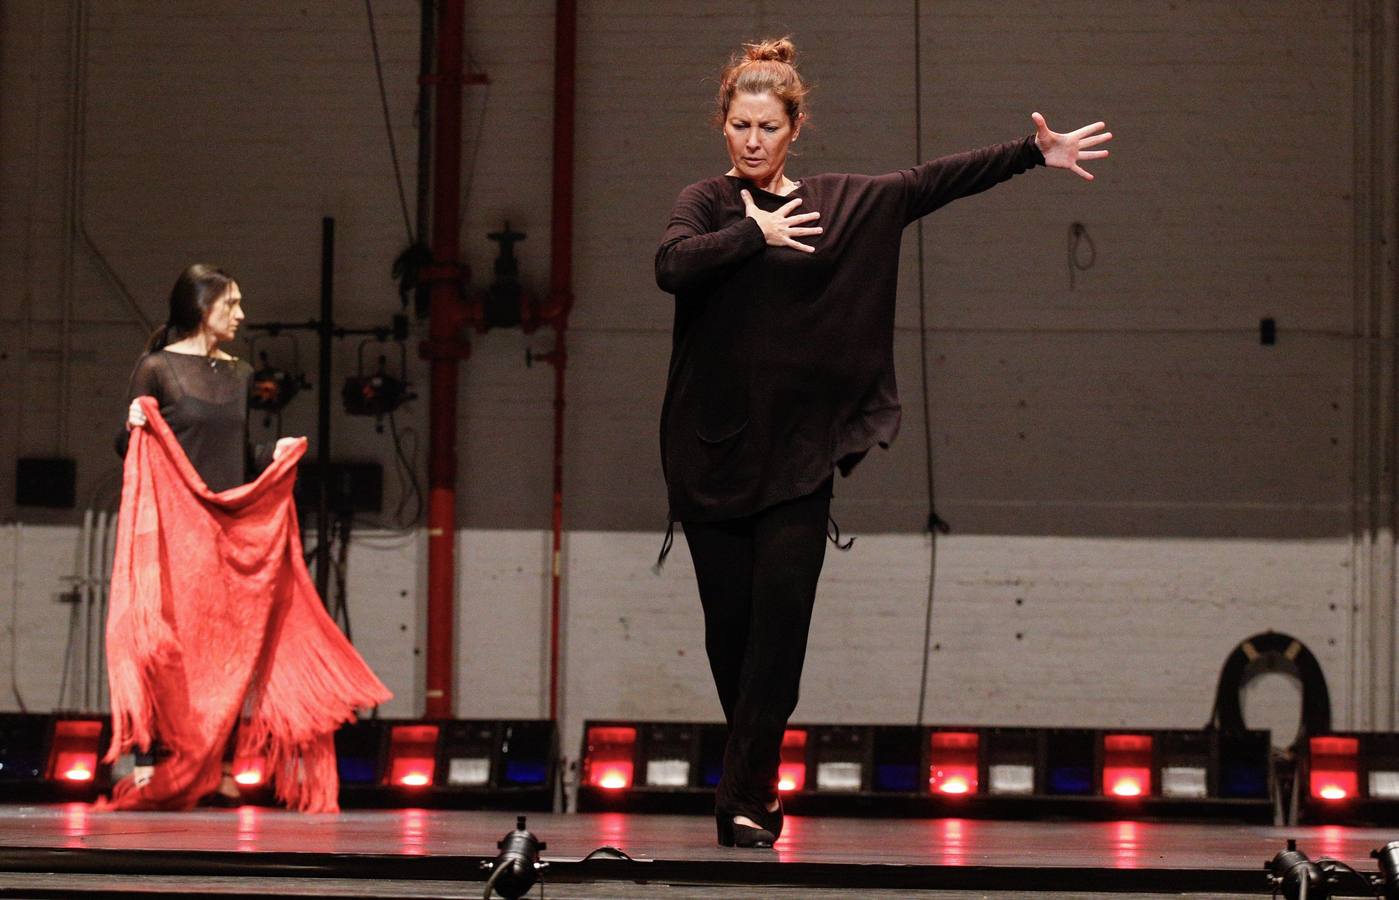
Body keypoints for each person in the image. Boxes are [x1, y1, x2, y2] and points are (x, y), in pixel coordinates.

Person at [654, 38, 1111, 848]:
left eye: (765, 125)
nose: (751, 140)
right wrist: (752, 237)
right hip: (711, 457)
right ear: (722, 128)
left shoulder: (842, 203)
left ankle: (738, 800)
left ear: (794, 127)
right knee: (731, 638)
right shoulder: (707, 204)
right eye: (737, 126)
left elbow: (930, 182)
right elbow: (670, 265)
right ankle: (755, 786)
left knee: (779, 632)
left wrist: (1030, 155)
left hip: (797, 462)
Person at [106, 264, 390, 811]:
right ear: (200, 308)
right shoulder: (157, 368)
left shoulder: (237, 373)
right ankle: (152, 761)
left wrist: (273, 455)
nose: (240, 314)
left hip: (226, 528)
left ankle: (211, 761)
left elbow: (237, 453)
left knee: (226, 645)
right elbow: (129, 447)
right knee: (165, 646)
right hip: (174, 525)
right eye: (230, 304)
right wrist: (137, 426)